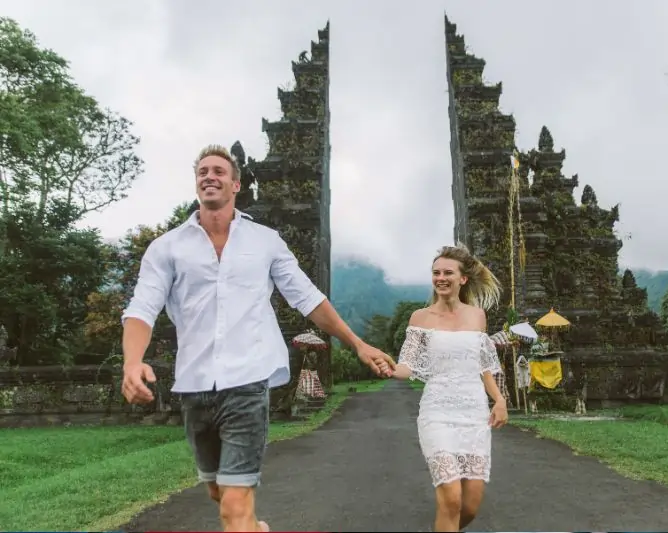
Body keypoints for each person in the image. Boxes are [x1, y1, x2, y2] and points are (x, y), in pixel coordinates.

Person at [120, 144, 395, 533]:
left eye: (218, 171)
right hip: (195, 387)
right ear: (196, 183)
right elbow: (141, 309)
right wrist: (132, 362)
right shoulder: (167, 248)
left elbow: (308, 298)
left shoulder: (265, 241)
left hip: (248, 382)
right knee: (220, 493)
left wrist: (358, 343)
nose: (209, 176)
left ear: (235, 184)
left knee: (234, 503)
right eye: (202, 171)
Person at [379, 244, 509, 532]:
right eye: (436, 272)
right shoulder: (420, 318)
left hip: (474, 415)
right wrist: (389, 368)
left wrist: (499, 400)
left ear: (462, 279)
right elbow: (407, 365)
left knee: (470, 507)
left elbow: (483, 365)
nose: (440, 278)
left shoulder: (477, 316)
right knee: (450, 498)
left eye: (447, 272)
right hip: (437, 414)